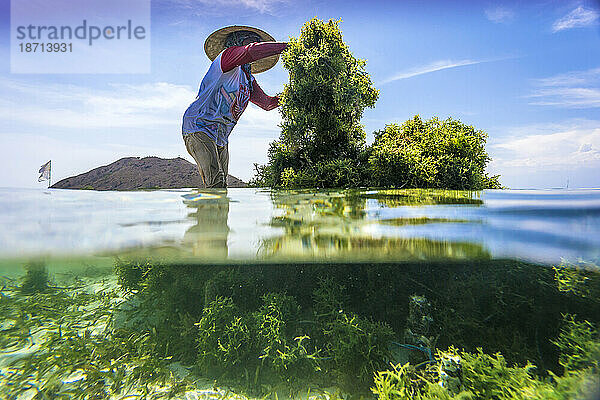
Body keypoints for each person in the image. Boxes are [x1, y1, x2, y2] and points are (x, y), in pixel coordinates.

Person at [182, 26, 287, 188]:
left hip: (221, 136)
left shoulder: (247, 79)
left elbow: (267, 103)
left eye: (257, 41)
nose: (255, 43)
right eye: (250, 40)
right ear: (237, 41)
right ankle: (203, 210)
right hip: (199, 126)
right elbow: (248, 52)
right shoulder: (227, 57)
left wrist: (291, 95)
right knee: (215, 182)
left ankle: (211, 212)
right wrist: (289, 47)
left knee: (222, 184)